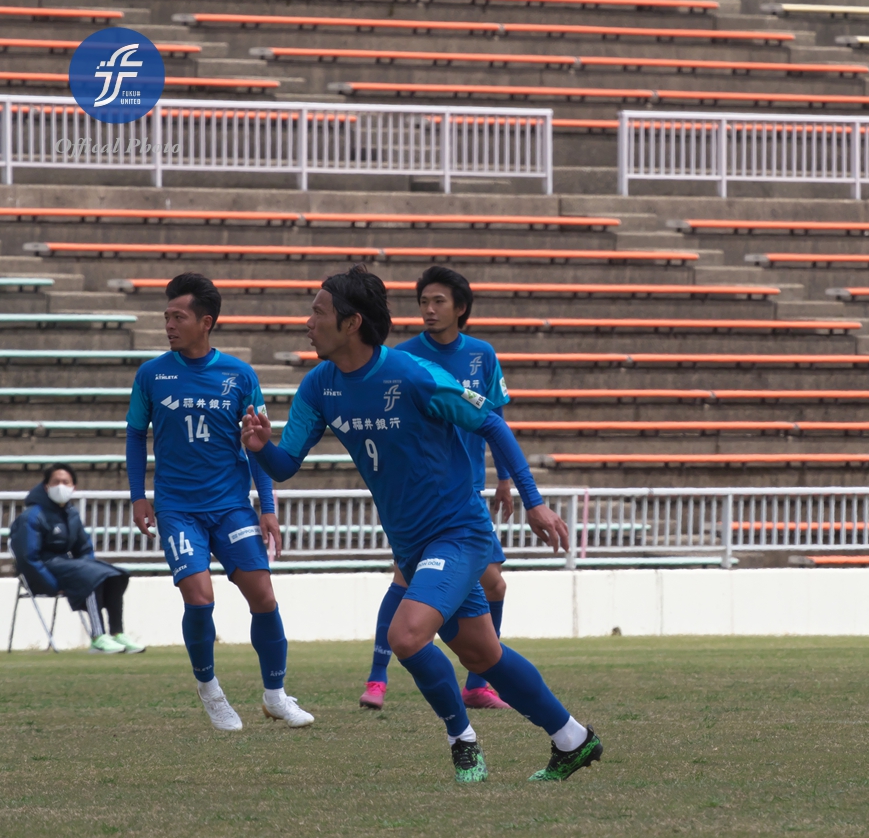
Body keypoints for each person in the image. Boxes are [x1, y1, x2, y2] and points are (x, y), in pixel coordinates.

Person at [243, 264, 602, 783]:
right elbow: (284, 465)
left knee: (406, 636)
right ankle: (573, 739)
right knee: (484, 654)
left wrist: (534, 501)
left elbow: (491, 423)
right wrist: (260, 448)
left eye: (318, 312)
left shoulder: (413, 375)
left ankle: (462, 740)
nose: (308, 322)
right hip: (411, 544)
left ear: (352, 323)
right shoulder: (320, 386)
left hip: (459, 532)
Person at [125, 272, 313, 732]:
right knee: (199, 596)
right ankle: (210, 690)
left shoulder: (239, 375)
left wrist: (267, 507)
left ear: (205, 322)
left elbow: (257, 444)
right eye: (166, 316)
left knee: (263, 596)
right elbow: (134, 435)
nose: (169, 325)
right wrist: (138, 497)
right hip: (177, 508)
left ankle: (275, 696)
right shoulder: (151, 375)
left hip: (231, 506)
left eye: (178, 317)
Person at [359, 265, 513, 712]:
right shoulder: (404, 357)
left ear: (460, 308)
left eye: (438, 301)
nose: (428, 309)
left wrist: (504, 479)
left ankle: (477, 684)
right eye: (423, 301)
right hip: (422, 494)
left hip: (467, 491)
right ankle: (377, 678)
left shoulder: (482, 355)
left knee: (494, 585)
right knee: (404, 577)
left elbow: (495, 420)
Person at [9, 463, 143, 654]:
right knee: (91, 577)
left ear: (74, 487)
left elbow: (84, 548)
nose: (61, 486)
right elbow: (28, 558)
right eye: (56, 482)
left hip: (66, 567)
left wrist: (88, 566)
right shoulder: (32, 516)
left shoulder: (71, 514)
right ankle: (98, 637)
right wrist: (51, 584)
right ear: (46, 486)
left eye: (66, 482)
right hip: (42, 573)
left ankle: (117, 633)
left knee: (114, 575)